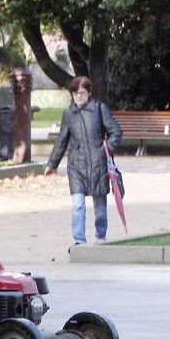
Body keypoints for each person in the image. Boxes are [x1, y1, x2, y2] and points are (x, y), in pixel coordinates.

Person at [44, 76, 122, 245]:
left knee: (100, 208)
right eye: (75, 93)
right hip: (76, 166)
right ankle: (79, 241)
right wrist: (52, 164)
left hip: (98, 165)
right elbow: (62, 140)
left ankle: (100, 238)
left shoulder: (100, 109)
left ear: (89, 93)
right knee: (78, 205)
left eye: (82, 93)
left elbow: (116, 132)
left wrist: (104, 150)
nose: (78, 96)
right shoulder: (68, 114)